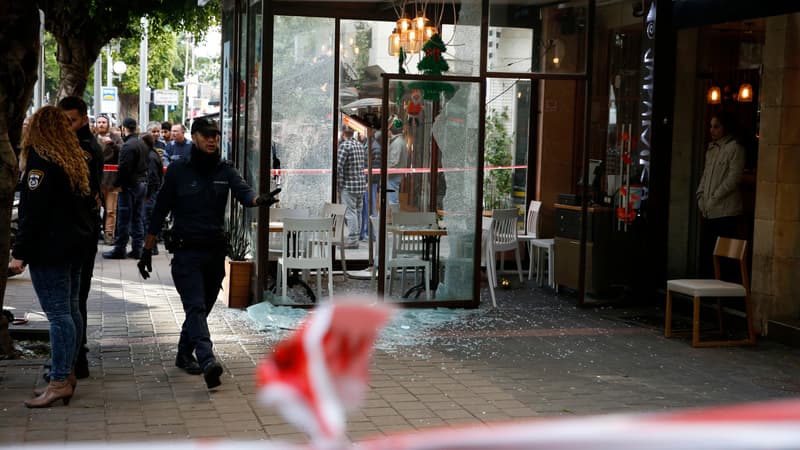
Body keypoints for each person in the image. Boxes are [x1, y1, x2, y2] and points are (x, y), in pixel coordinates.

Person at [136, 117, 280, 389]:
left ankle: (182, 353)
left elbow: (244, 193)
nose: (212, 140)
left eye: (215, 135)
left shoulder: (225, 170)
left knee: (203, 307)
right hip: (186, 252)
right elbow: (159, 211)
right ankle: (207, 360)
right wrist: (146, 250)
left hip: (214, 253)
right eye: (206, 135)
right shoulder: (178, 170)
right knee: (196, 306)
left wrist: (259, 200)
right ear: (194, 137)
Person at [9, 106, 96, 407]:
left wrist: (19, 254)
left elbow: (32, 214)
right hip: (75, 248)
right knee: (70, 312)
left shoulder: (41, 163)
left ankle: (59, 379)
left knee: (59, 315)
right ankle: (67, 374)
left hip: (51, 249)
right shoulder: (75, 160)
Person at [58, 96, 103, 379]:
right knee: (73, 298)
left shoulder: (84, 150)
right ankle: (76, 357)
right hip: (77, 232)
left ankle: (76, 357)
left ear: (84, 120)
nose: (67, 126)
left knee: (75, 298)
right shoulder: (72, 146)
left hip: (80, 234)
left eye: (71, 121)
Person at [696, 112, 746, 274]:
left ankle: (724, 296)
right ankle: (708, 295)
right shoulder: (711, 149)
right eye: (711, 126)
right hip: (710, 211)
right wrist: (701, 196)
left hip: (725, 212)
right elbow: (705, 175)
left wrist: (714, 197)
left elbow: (734, 178)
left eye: (716, 126)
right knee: (708, 255)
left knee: (725, 260)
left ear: (725, 127)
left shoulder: (735, 148)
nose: (712, 130)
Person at [103, 118, 148, 259]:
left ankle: (120, 249)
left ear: (124, 128)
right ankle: (137, 249)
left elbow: (124, 169)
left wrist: (117, 184)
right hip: (141, 184)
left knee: (123, 219)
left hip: (129, 186)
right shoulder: (142, 143)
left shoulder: (128, 146)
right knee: (137, 218)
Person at [337, 126, 367, 249]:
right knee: (358, 212)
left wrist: (339, 186)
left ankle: (352, 240)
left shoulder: (345, 146)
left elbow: (338, 167)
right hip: (360, 185)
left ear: (343, 133)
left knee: (350, 213)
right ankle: (356, 238)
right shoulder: (359, 145)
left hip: (349, 185)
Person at [95, 114, 123, 244]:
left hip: (112, 180)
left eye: (103, 122)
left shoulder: (116, 138)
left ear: (108, 125)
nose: (101, 124)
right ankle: (94, 233)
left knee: (111, 210)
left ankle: (109, 234)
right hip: (95, 180)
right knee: (94, 208)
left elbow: (123, 152)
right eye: (99, 122)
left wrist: (112, 144)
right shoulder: (92, 139)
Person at [141, 133, 164, 255]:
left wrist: (148, 195)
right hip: (153, 192)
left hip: (151, 194)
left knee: (147, 220)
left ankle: (151, 247)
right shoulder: (153, 154)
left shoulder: (150, 157)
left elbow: (152, 177)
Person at [386, 115, 407, 207]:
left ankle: (393, 219)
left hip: (393, 176)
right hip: (394, 175)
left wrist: (385, 171)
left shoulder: (397, 142)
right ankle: (392, 219)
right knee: (391, 198)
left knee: (392, 199)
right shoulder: (398, 141)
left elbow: (394, 162)